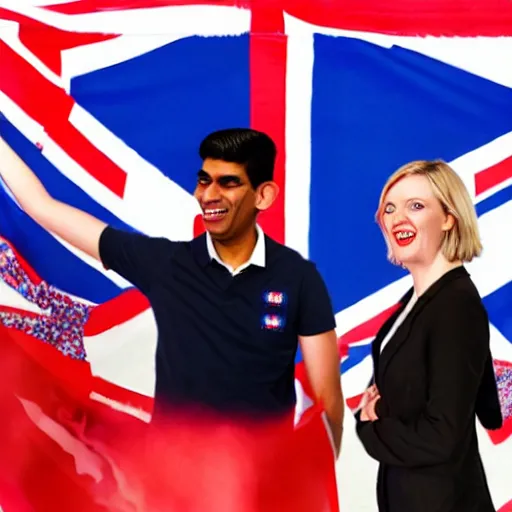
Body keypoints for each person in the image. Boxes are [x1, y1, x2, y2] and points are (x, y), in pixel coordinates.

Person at [0, 127, 344, 456]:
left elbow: (327, 398)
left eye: (228, 183)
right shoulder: (166, 264)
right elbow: (41, 207)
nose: (210, 195)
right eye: (205, 181)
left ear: (264, 195)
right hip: (174, 484)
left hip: (260, 486)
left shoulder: (298, 279)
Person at [355, 160, 503, 512]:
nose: (396, 218)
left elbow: (441, 438)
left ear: (449, 217)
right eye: (389, 208)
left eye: (416, 206)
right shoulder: (421, 301)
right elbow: (487, 409)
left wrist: (370, 428)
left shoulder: (455, 307)